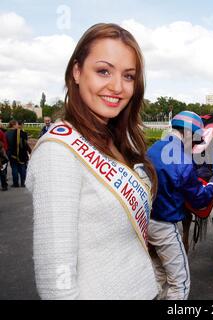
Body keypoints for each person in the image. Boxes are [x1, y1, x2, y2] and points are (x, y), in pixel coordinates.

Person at [26, 23, 159, 299]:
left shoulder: (121, 141)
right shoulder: (58, 152)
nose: (117, 87)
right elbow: (56, 283)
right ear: (76, 72)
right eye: (103, 71)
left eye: (129, 76)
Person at [147, 110, 213, 300]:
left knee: (158, 274)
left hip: (146, 222)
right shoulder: (183, 161)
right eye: (195, 139)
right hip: (165, 227)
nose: (195, 144)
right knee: (181, 283)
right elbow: (199, 199)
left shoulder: (153, 148)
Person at [6, 120, 31, 187]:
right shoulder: (21, 132)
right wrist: (29, 151)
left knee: (14, 169)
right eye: (17, 124)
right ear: (14, 125)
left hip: (11, 153)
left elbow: (6, 144)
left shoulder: (6, 133)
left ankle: (16, 183)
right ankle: (23, 183)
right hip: (21, 154)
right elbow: (25, 144)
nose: (18, 125)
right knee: (22, 168)